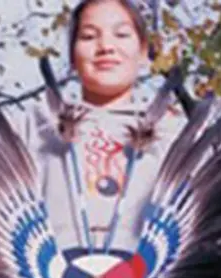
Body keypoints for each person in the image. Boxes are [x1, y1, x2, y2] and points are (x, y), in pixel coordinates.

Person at [31, 0, 187, 256]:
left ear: (143, 52)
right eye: (89, 36)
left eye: (122, 34)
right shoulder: (38, 124)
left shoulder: (175, 133)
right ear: (72, 57)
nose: (106, 47)